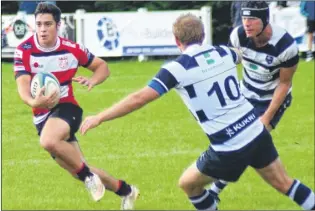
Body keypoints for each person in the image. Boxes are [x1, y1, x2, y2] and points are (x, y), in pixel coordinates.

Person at [79, 13, 315, 210]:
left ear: (175, 40)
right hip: (255, 131)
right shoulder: (225, 53)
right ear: (203, 35)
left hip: (228, 146)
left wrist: (100, 116)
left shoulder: (176, 68)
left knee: (188, 184)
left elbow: (139, 98)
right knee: (286, 184)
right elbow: (249, 58)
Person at [13, 2, 139, 210]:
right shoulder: (24, 50)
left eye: (48, 24)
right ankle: (127, 191)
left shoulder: (71, 49)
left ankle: (89, 177)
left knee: (48, 141)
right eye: (39, 25)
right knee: (78, 168)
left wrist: (93, 80)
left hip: (67, 108)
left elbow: (102, 67)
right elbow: (23, 85)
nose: (43, 29)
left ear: (58, 25)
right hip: (42, 116)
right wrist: (33, 101)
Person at [210, 0, 300, 197]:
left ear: (265, 19)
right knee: (234, 140)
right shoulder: (238, 35)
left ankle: (214, 191)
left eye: (252, 19)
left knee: (247, 143)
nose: (246, 23)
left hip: (272, 99)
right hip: (246, 93)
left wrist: (266, 118)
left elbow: (284, 84)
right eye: (243, 18)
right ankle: (215, 192)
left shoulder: (286, 46)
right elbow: (230, 63)